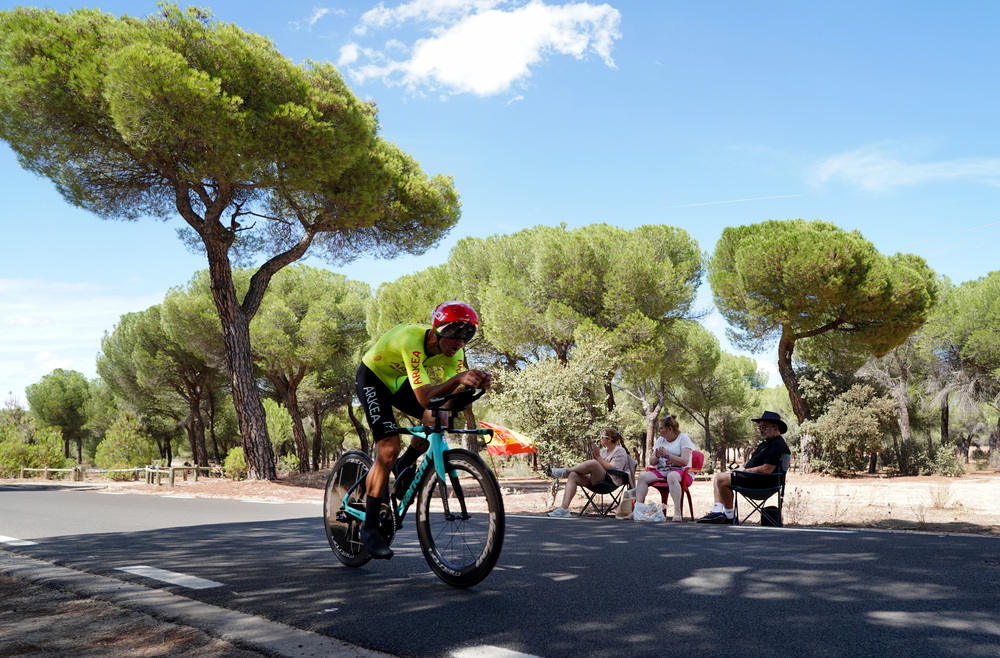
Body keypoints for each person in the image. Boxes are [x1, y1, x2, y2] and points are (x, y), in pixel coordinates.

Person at [355, 301, 493, 559]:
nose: (460, 342)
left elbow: (447, 402)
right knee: (388, 448)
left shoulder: (456, 352)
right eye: (455, 335)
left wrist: (473, 387)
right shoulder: (411, 340)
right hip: (373, 378)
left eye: (468, 336)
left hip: (400, 380)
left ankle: (405, 464)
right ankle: (369, 527)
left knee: (438, 417)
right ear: (438, 330)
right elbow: (423, 398)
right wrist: (456, 380)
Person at [696, 411, 791, 524]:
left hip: (762, 483)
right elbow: (750, 462)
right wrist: (740, 468)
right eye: (760, 427)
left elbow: (767, 469)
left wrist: (745, 471)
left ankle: (729, 517)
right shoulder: (765, 444)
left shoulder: (777, 444)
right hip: (753, 478)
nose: (761, 430)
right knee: (718, 477)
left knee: (722, 479)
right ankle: (717, 512)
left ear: (775, 428)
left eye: (765, 427)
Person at [546, 428, 636, 518]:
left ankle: (566, 471)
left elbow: (614, 469)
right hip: (597, 479)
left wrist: (598, 457)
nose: (600, 439)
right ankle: (564, 509)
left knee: (593, 463)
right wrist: (597, 457)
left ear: (609, 439)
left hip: (610, 481)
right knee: (573, 475)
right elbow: (596, 467)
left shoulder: (619, 451)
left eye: (602, 437)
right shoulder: (603, 451)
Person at [624, 415, 697, 522]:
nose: (658, 430)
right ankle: (637, 511)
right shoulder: (661, 440)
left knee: (672, 476)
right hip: (662, 471)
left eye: (661, 428)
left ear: (670, 429)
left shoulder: (683, 438)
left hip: (681, 472)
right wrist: (657, 456)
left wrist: (667, 455)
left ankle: (677, 512)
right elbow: (652, 462)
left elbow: (684, 461)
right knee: (643, 476)